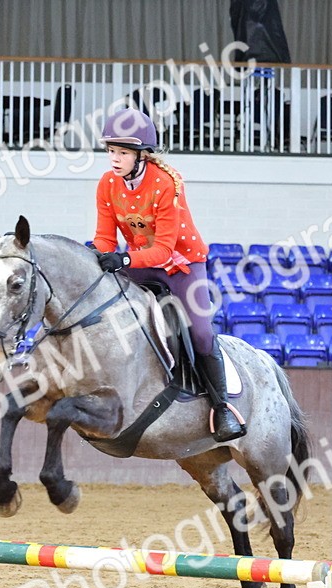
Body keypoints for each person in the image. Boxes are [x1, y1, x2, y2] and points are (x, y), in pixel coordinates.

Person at [90, 108, 246, 443]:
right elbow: (104, 238)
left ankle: (222, 408)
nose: (114, 159)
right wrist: (96, 255)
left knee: (201, 333)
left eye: (122, 153)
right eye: (111, 151)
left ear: (141, 154)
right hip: (139, 262)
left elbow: (162, 250)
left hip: (181, 265)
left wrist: (123, 258)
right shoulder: (107, 184)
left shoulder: (166, 183)